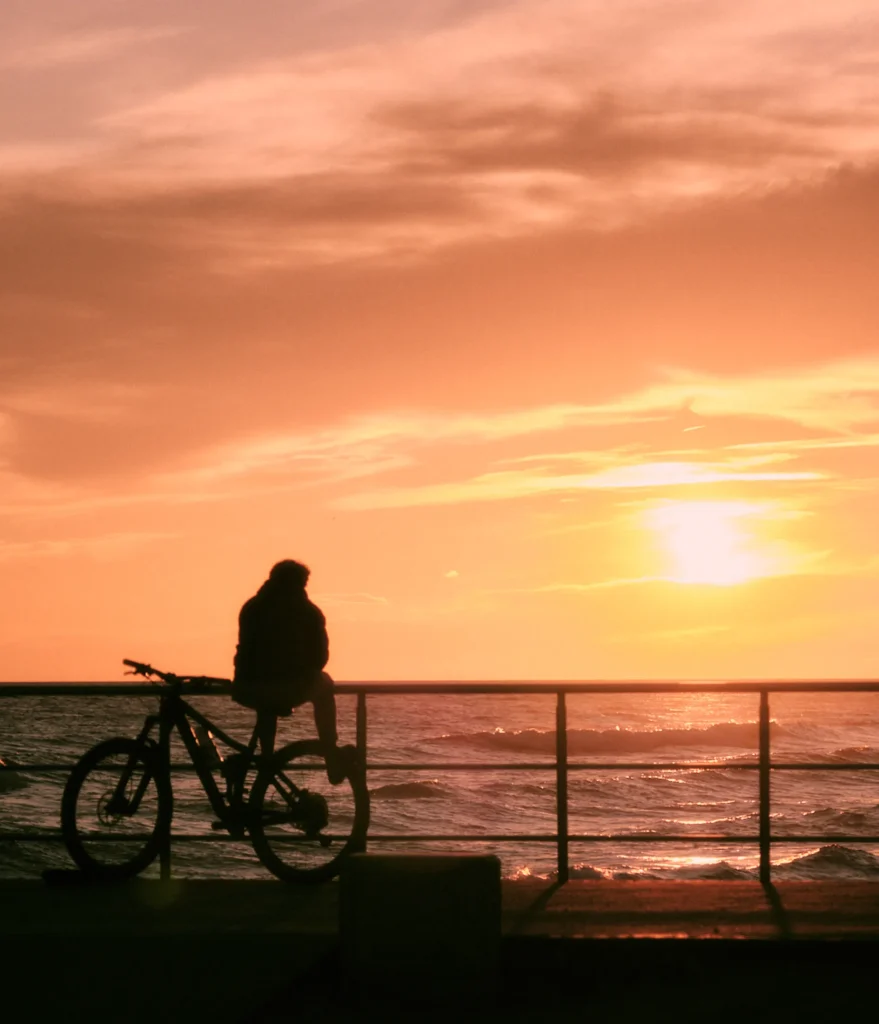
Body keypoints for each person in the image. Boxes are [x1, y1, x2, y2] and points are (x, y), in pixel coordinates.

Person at [232, 559, 355, 784]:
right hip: (288, 687)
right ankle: (330, 751)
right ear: (302, 583)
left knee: (265, 700)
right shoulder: (308, 612)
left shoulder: (251, 607)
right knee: (325, 684)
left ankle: (267, 759)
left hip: (247, 687)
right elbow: (321, 657)